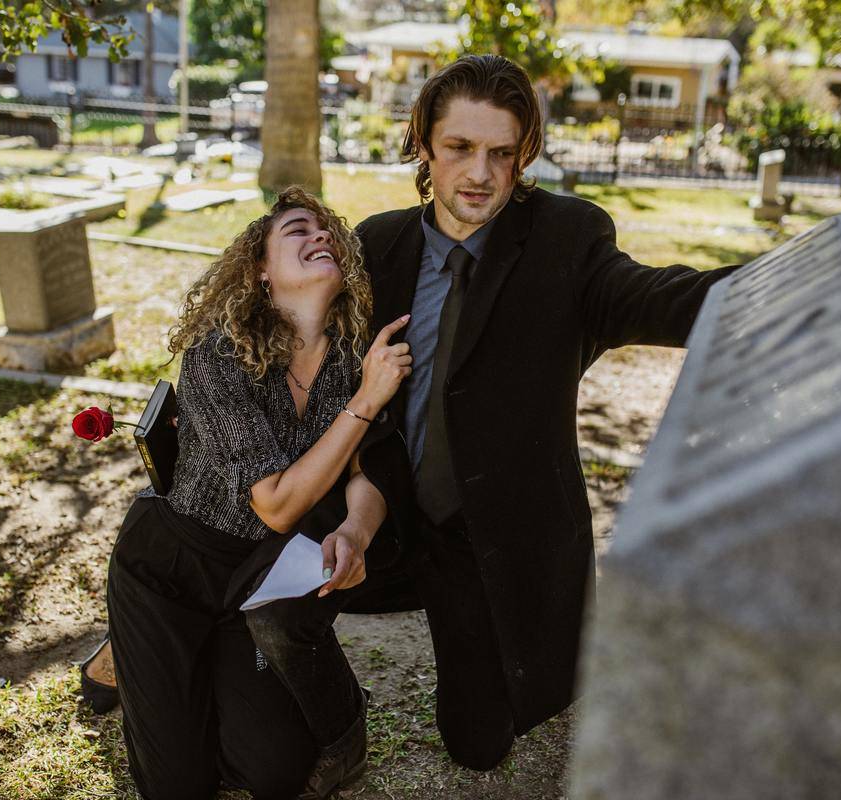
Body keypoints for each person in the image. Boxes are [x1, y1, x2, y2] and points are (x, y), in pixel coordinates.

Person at [246, 54, 743, 773]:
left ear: (524, 154)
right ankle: (335, 719)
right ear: (424, 145)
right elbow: (283, 337)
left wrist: (820, 266)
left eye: (501, 153)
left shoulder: (566, 243)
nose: (480, 173)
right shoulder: (376, 248)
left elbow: (672, 297)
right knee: (260, 591)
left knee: (477, 747)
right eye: (459, 149)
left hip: (481, 541)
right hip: (376, 507)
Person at [104, 186, 412, 800]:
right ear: (262, 271)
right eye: (298, 230)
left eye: (328, 233)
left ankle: (174, 679)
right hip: (169, 570)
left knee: (273, 772)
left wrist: (356, 530)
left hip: (255, 581)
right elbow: (274, 502)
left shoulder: (355, 360)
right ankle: (119, 659)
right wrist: (366, 401)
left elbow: (363, 473)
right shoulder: (218, 355)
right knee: (179, 786)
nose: (320, 236)